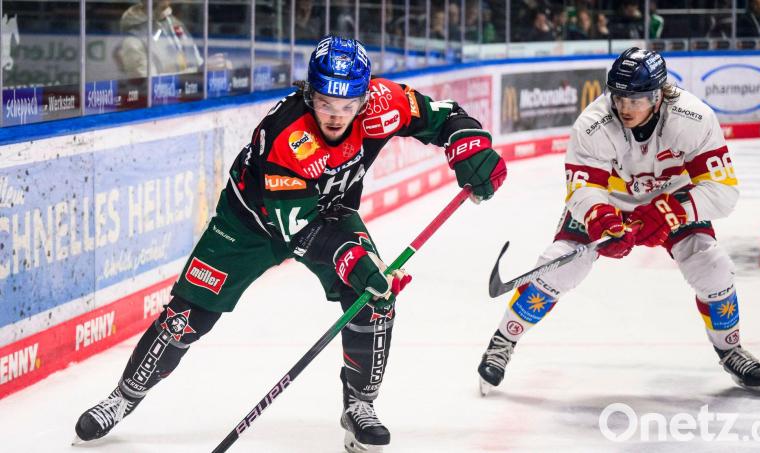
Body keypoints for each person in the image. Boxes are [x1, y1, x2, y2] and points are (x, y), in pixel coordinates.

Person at [75, 35, 507, 452]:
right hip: (247, 223)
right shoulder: (288, 135)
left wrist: (468, 145)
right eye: (325, 104)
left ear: (364, 97)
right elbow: (297, 229)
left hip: (329, 212)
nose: (336, 116)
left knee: (373, 297)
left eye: (347, 105)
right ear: (309, 94)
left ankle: (359, 406)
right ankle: (124, 396)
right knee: (188, 315)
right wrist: (350, 256)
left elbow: (440, 115)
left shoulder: (383, 103)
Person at [476, 47, 760, 398]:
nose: (626, 107)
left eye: (638, 98)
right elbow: (583, 188)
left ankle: (731, 349)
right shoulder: (593, 123)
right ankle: (503, 341)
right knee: (560, 264)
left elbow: (723, 192)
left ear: (659, 94)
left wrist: (673, 211)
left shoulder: (694, 118)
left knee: (713, 266)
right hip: (609, 205)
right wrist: (600, 218)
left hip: (672, 201)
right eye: (619, 96)